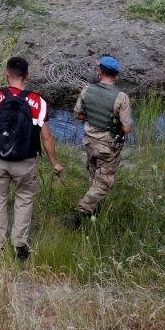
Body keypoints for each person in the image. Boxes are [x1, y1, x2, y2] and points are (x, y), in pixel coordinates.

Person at [0, 57, 63, 260]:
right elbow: (46, 137)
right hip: (26, 162)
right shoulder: (39, 102)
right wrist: (55, 163)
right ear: (27, 76)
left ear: (6, 74)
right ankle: (20, 246)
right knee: (24, 200)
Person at [65, 56, 133, 229]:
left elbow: (78, 114)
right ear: (116, 75)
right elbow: (126, 129)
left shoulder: (87, 90)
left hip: (88, 142)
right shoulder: (121, 97)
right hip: (107, 146)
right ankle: (80, 214)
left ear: (100, 71)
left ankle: (94, 209)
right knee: (104, 182)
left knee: (95, 174)